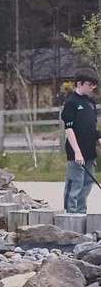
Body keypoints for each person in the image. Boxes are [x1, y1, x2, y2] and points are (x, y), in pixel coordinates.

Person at [61, 72, 99, 213]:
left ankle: (81, 213)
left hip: (90, 152)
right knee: (75, 184)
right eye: (90, 85)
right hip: (76, 152)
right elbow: (69, 129)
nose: (92, 88)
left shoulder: (90, 103)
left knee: (87, 184)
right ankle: (70, 214)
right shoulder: (71, 102)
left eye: (94, 85)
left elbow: (92, 128)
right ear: (79, 84)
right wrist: (77, 152)